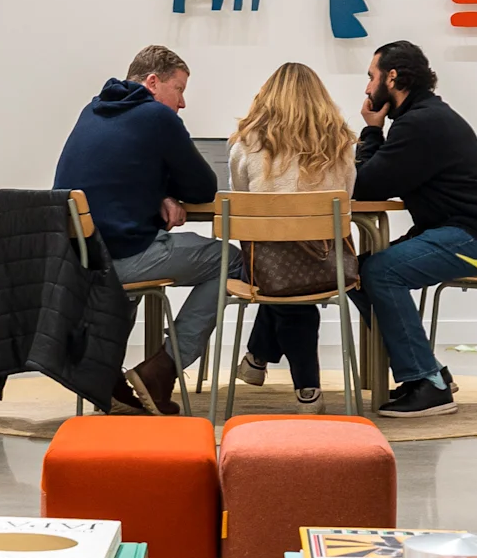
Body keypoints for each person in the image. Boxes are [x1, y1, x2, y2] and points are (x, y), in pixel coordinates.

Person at [54, 44, 238, 414]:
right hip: (124, 256)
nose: (182, 103)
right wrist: (171, 191)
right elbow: (203, 187)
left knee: (145, 263)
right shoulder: (156, 116)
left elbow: (119, 174)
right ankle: (163, 369)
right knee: (232, 260)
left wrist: (162, 192)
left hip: (81, 258)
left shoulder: (92, 111)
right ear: (153, 82)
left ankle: (105, 377)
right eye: (180, 89)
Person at [352, 40, 477, 417]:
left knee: (379, 271)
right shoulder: (422, 117)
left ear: (391, 78)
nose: (367, 88)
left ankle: (428, 384)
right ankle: (427, 370)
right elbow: (376, 179)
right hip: (462, 230)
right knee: (359, 273)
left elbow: (367, 185)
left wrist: (371, 131)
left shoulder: (421, 123)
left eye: (371, 77)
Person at [226, 62, 357, 414]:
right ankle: (285, 379)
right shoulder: (341, 143)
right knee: (296, 295)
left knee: (281, 286)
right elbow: (347, 199)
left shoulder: (246, 144)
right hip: (326, 265)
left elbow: (241, 205)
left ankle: (275, 368)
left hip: (265, 269)